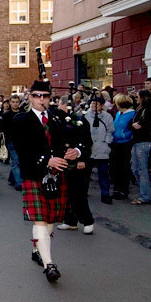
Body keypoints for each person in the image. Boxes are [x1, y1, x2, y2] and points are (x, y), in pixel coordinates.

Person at [12, 79, 82, 283]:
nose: (41, 100)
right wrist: (46, 160)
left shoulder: (59, 117)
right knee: (41, 218)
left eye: (45, 96)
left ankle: (37, 249)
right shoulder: (21, 119)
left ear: (50, 98)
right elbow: (21, 149)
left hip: (57, 174)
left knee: (50, 219)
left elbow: (81, 136)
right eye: (37, 96)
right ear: (30, 97)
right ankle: (49, 265)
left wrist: (75, 151)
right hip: (34, 174)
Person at [54, 96, 94, 234]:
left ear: (66, 106)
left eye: (60, 104)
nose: (58, 108)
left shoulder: (80, 120)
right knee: (66, 193)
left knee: (79, 193)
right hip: (64, 162)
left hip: (79, 163)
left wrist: (81, 157)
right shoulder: (58, 121)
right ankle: (70, 221)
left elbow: (87, 142)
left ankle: (88, 221)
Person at [83, 97, 115, 204]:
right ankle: (83, 192)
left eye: (96, 104)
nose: (93, 106)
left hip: (102, 148)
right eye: (92, 104)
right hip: (89, 149)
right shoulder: (86, 115)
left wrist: (107, 142)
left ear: (101, 105)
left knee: (103, 173)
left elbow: (110, 131)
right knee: (86, 173)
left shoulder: (107, 116)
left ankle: (105, 194)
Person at [130, 89, 151, 205]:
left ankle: (144, 196)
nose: (136, 98)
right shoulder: (139, 108)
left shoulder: (149, 109)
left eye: (138, 96)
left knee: (141, 169)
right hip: (136, 140)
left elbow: (143, 124)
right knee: (135, 168)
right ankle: (143, 193)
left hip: (144, 141)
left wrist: (138, 125)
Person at [110, 94, 135, 200]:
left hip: (125, 143)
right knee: (115, 166)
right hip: (116, 143)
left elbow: (131, 129)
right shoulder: (119, 114)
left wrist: (125, 135)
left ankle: (123, 190)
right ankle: (117, 188)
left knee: (124, 166)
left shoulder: (132, 114)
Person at [2, 95, 23, 190]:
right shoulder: (6, 115)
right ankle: (19, 183)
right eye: (13, 102)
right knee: (16, 161)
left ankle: (11, 178)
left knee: (18, 161)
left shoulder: (23, 113)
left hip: (22, 141)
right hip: (11, 141)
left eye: (17, 102)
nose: (15, 104)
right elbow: (4, 129)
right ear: (10, 103)